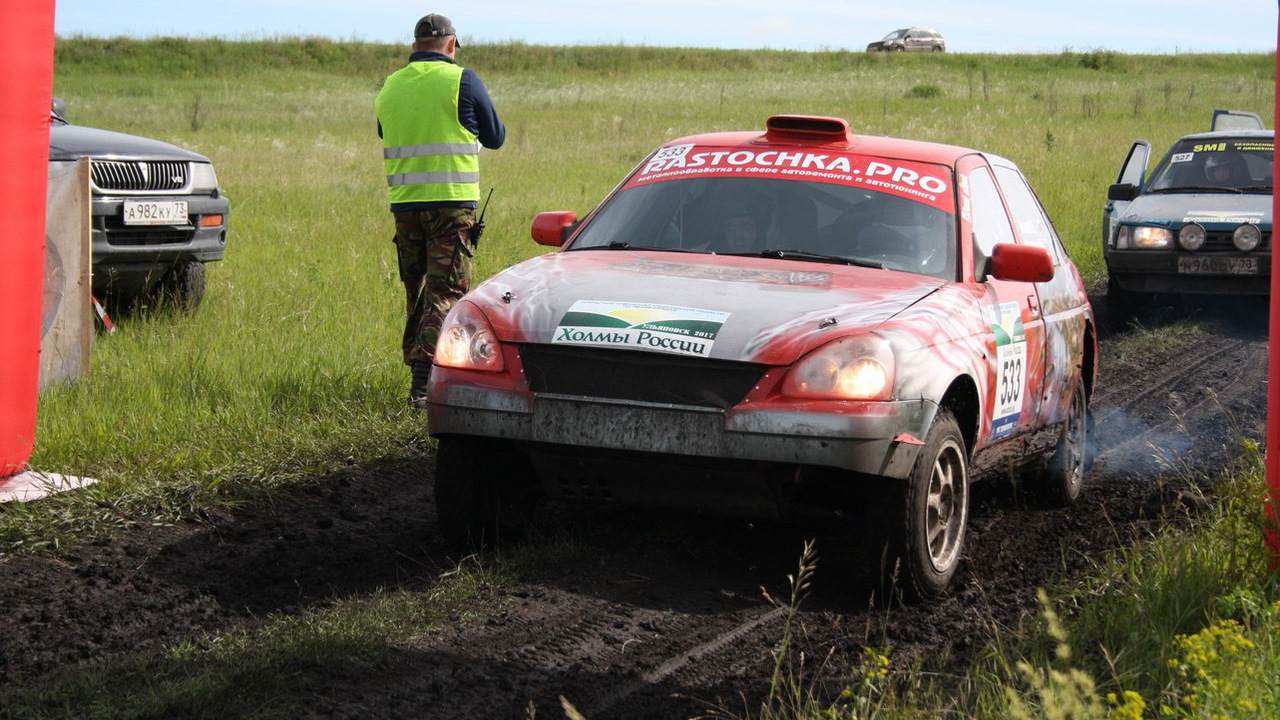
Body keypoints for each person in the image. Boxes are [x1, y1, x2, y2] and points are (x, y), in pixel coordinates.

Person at [375, 13, 505, 408]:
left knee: (416, 290)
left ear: (415, 47)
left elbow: (387, 131)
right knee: (446, 291)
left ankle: (416, 369)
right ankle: (421, 384)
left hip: (406, 207)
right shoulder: (463, 80)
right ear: (452, 45)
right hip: (450, 204)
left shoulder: (391, 85)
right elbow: (496, 137)